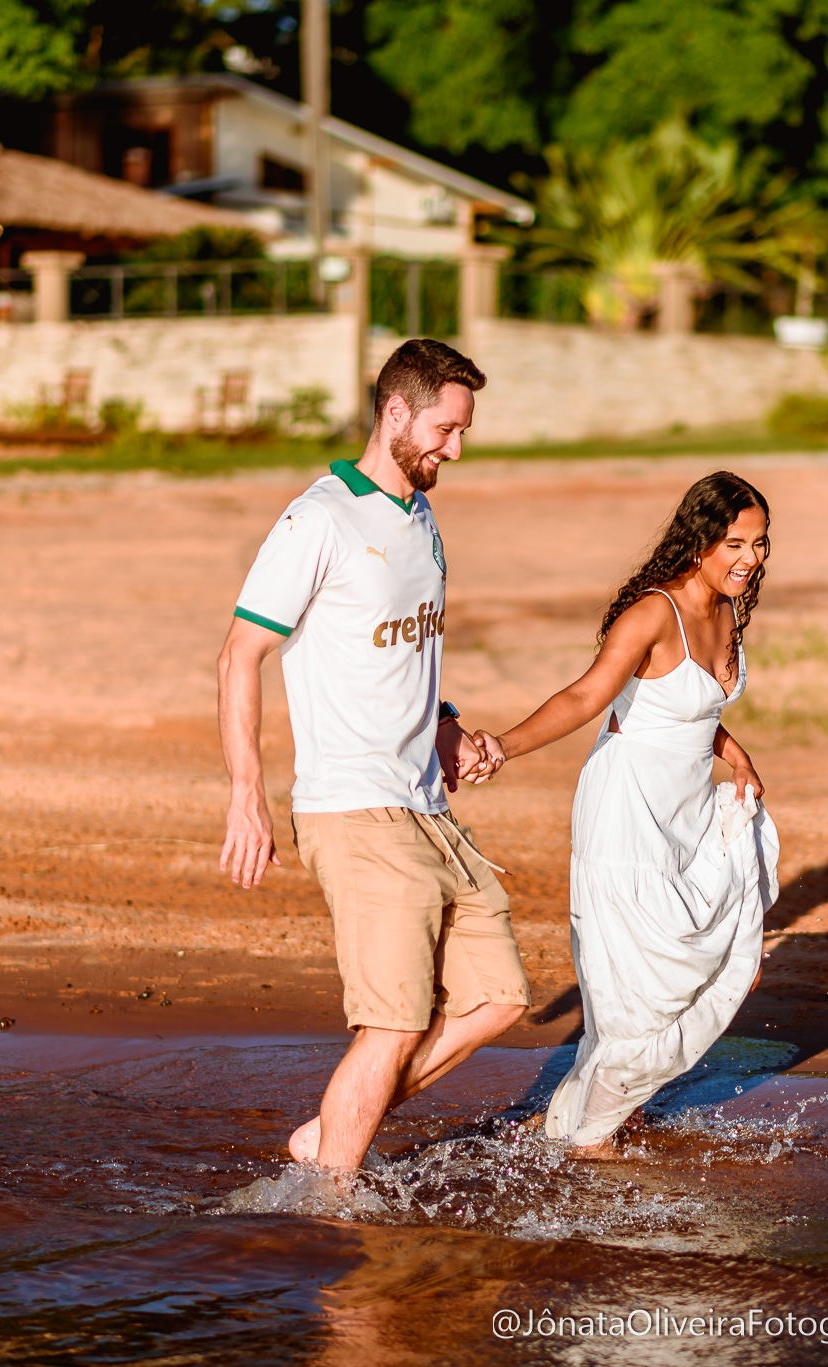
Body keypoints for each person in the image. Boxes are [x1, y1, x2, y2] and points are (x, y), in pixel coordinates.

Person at [216, 338, 526, 1173]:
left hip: (425, 802)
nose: (454, 449)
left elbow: (404, 657)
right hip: (353, 807)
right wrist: (246, 793)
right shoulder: (318, 517)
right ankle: (332, 1202)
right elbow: (239, 653)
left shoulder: (419, 516)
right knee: (390, 1022)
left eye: (462, 432)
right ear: (396, 411)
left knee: (498, 997)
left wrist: (447, 722)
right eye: (445, 428)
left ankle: (329, 1134)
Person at [487, 471, 780, 1157]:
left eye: (759, 544)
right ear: (700, 538)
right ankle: (590, 1135)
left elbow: (691, 709)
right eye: (735, 542)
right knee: (636, 985)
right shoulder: (655, 613)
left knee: (701, 960)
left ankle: (571, 1118)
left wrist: (734, 754)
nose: (749, 558)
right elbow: (587, 697)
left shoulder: (727, 606)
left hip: (685, 813)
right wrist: (501, 747)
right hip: (626, 814)